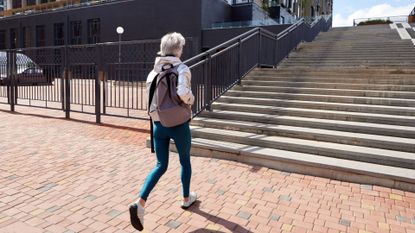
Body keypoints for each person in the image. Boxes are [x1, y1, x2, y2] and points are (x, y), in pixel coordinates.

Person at [129, 32, 197, 231]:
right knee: (185, 160)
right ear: (177, 50)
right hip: (179, 124)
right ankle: (186, 198)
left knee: (161, 165)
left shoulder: (153, 72)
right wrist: (191, 100)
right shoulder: (182, 68)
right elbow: (183, 93)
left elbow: (151, 101)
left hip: (159, 125)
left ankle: (140, 203)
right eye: (181, 48)